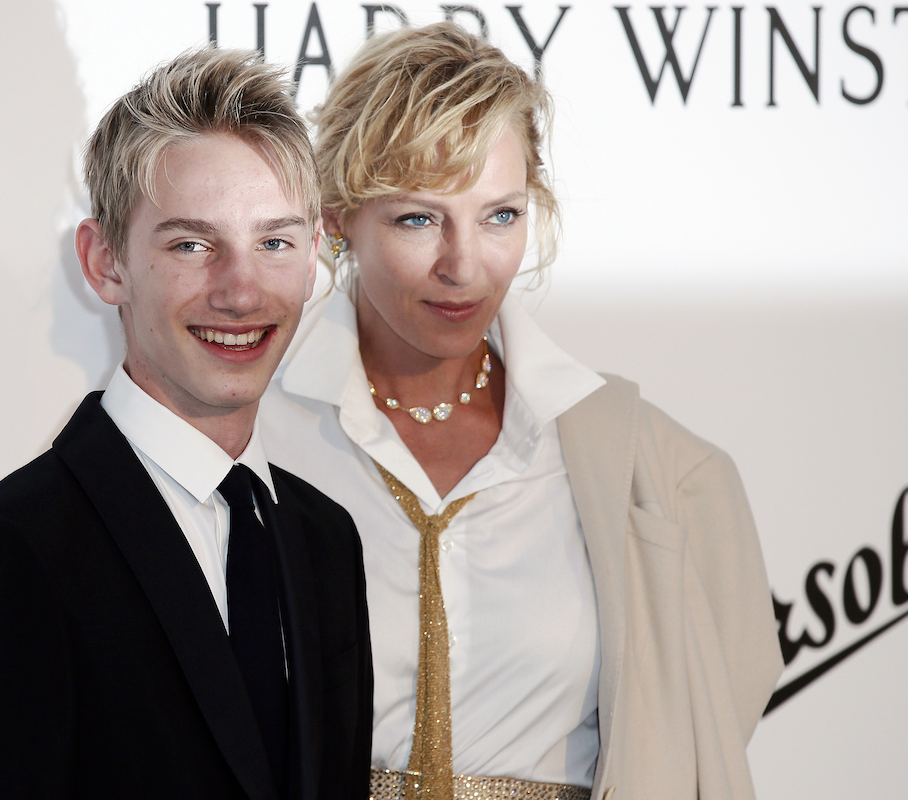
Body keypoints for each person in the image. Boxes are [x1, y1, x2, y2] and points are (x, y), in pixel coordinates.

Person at [259, 22, 782, 800]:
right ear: (336, 221)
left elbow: (700, 721)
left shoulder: (652, 468)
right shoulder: (255, 439)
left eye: (499, 215)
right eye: (418, 218)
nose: (463, 266)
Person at [0, 48, 372, 800]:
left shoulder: (325, 540)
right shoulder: (1, 556)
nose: (242, 291)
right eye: (191, 244)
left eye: (274, 242)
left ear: (315, 257)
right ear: (105, 262)